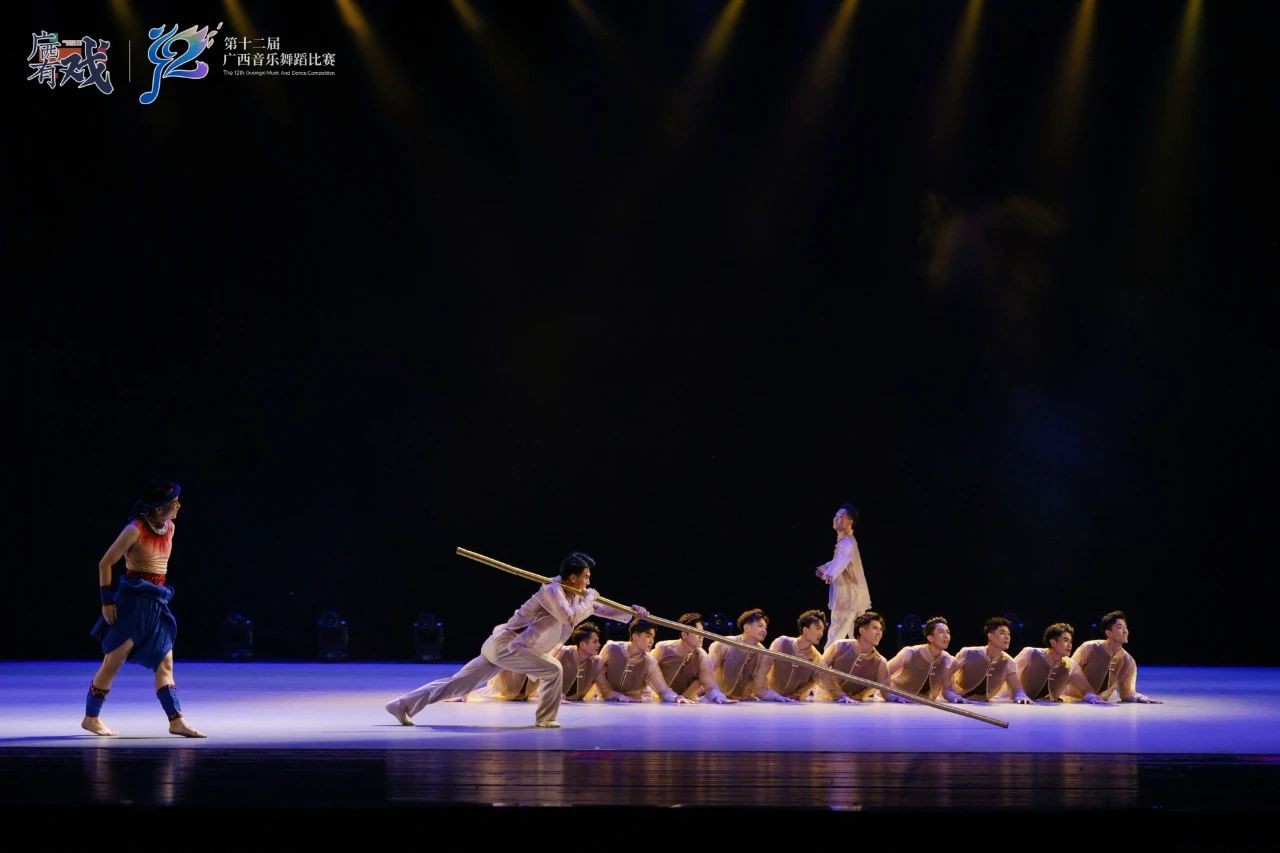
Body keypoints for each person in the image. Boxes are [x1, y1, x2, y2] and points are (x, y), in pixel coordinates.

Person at [384, 551, 648, 727]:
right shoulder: (551, 591)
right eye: (586, 577)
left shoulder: (576, 596)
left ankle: (401, 705)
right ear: (573, 577)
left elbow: (599, 610)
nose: (589, 583)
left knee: (457, 685)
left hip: (506, 648)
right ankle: (545, 720)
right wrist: (589, 599)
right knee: (553, 669)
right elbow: (570, 617)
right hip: (509, 646)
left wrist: (630, 613)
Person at [84, 480, 205, 738]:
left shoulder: (169, 527)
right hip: (134, 602)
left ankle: (176, 720)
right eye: (174, 503)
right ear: (159, 509)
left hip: (157, 603)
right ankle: (91, 718)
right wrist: (107, 600)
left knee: (165, 661)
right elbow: (105, 563)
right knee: (113, 661)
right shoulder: (134, 529)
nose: (179, 506)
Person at [1063, 611, 1162, 704]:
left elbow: (1127, 693)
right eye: (1120, 627)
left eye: (1126, 627)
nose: (1125, 631)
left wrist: (1138, 697)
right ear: (1109, 633)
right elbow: (1070, 670)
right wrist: (1087, 693)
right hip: (1072, 700)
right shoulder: (1090, 647)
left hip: (1100, 704)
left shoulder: (1128, 661)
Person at [594, 621, 692, 704]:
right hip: (606, 702)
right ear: (635, 636)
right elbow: (598, 673)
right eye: (648, 636)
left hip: (633, 705)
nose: (651, 641)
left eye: (653, 637)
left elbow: (663, 690)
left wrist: (676, 697)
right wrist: (610, 693)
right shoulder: (611, 648)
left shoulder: (649, 661)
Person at [813, 503, 870, 643]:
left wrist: (829, 573)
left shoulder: (847, 542)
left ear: (850, 522)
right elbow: (840, 560)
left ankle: (827, 658)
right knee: (857, 638)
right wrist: (826, 568)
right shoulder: (846, 541)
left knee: (836, 635)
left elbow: (841, 562)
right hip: (851, 598)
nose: (836, 518)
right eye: (836, 516)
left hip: (847, 598)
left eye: (840, 517)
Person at [651, 613, 735, 703]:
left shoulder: (701, 655)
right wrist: (671, 696)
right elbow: (650, 673)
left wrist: (717, 696)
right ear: (684, 635)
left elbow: (710, 686)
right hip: (660, 699)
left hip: (688, 701)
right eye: (697, 633)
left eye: (702, 632)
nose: (701, 636)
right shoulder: (663, 648)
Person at [947, 616, 1032, 704]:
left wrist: (1020, 695)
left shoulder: (1008, 661)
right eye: (1002, 633)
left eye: (1008, 634)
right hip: (956, 700)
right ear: (990, 636)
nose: (1007, 637)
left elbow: (1017, 689)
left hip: (983, 703)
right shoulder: (969, 653)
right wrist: (950, 693)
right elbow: (947, 674)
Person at [885, 616, 964, 703]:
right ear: (930, 638)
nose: (946, 636)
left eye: (948, 632)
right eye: (941, 632)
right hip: (898, 700)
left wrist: (956, 698)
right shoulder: (909, 653)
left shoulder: (948, 661)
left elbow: (947, 690)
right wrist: (893, 696)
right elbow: (884, 673)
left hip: (925, 704)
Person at [819, 610, 891, 702]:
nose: (879, 633)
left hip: (855, 704)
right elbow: (820, 668)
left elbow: (886, 692)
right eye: (875, 628)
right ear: (862, 630)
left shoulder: (880, 662)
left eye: (880, 629)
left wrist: (896, 697)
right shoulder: (840, 646)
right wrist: (838, 693)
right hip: (826, 701)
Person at [763, 610, 827, 701]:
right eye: (818, 628)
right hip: (770, 698)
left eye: (822, 630)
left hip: (792, 702)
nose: (821, 633)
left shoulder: (816, 657)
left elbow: (814, 681)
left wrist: (798, 693)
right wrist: (768, 692)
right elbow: (763, 668)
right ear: (805, 630)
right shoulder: (782, 642)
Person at [1012, 622, 1076, 702]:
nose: (1070, 645)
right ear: (1053, 642)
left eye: (1071, 641)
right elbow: (1010, 673)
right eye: (1065, 640)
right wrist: (1019, 694)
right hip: (1016, 702)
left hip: (1042, 706)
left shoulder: (1068, 664)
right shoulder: (1032, 653)